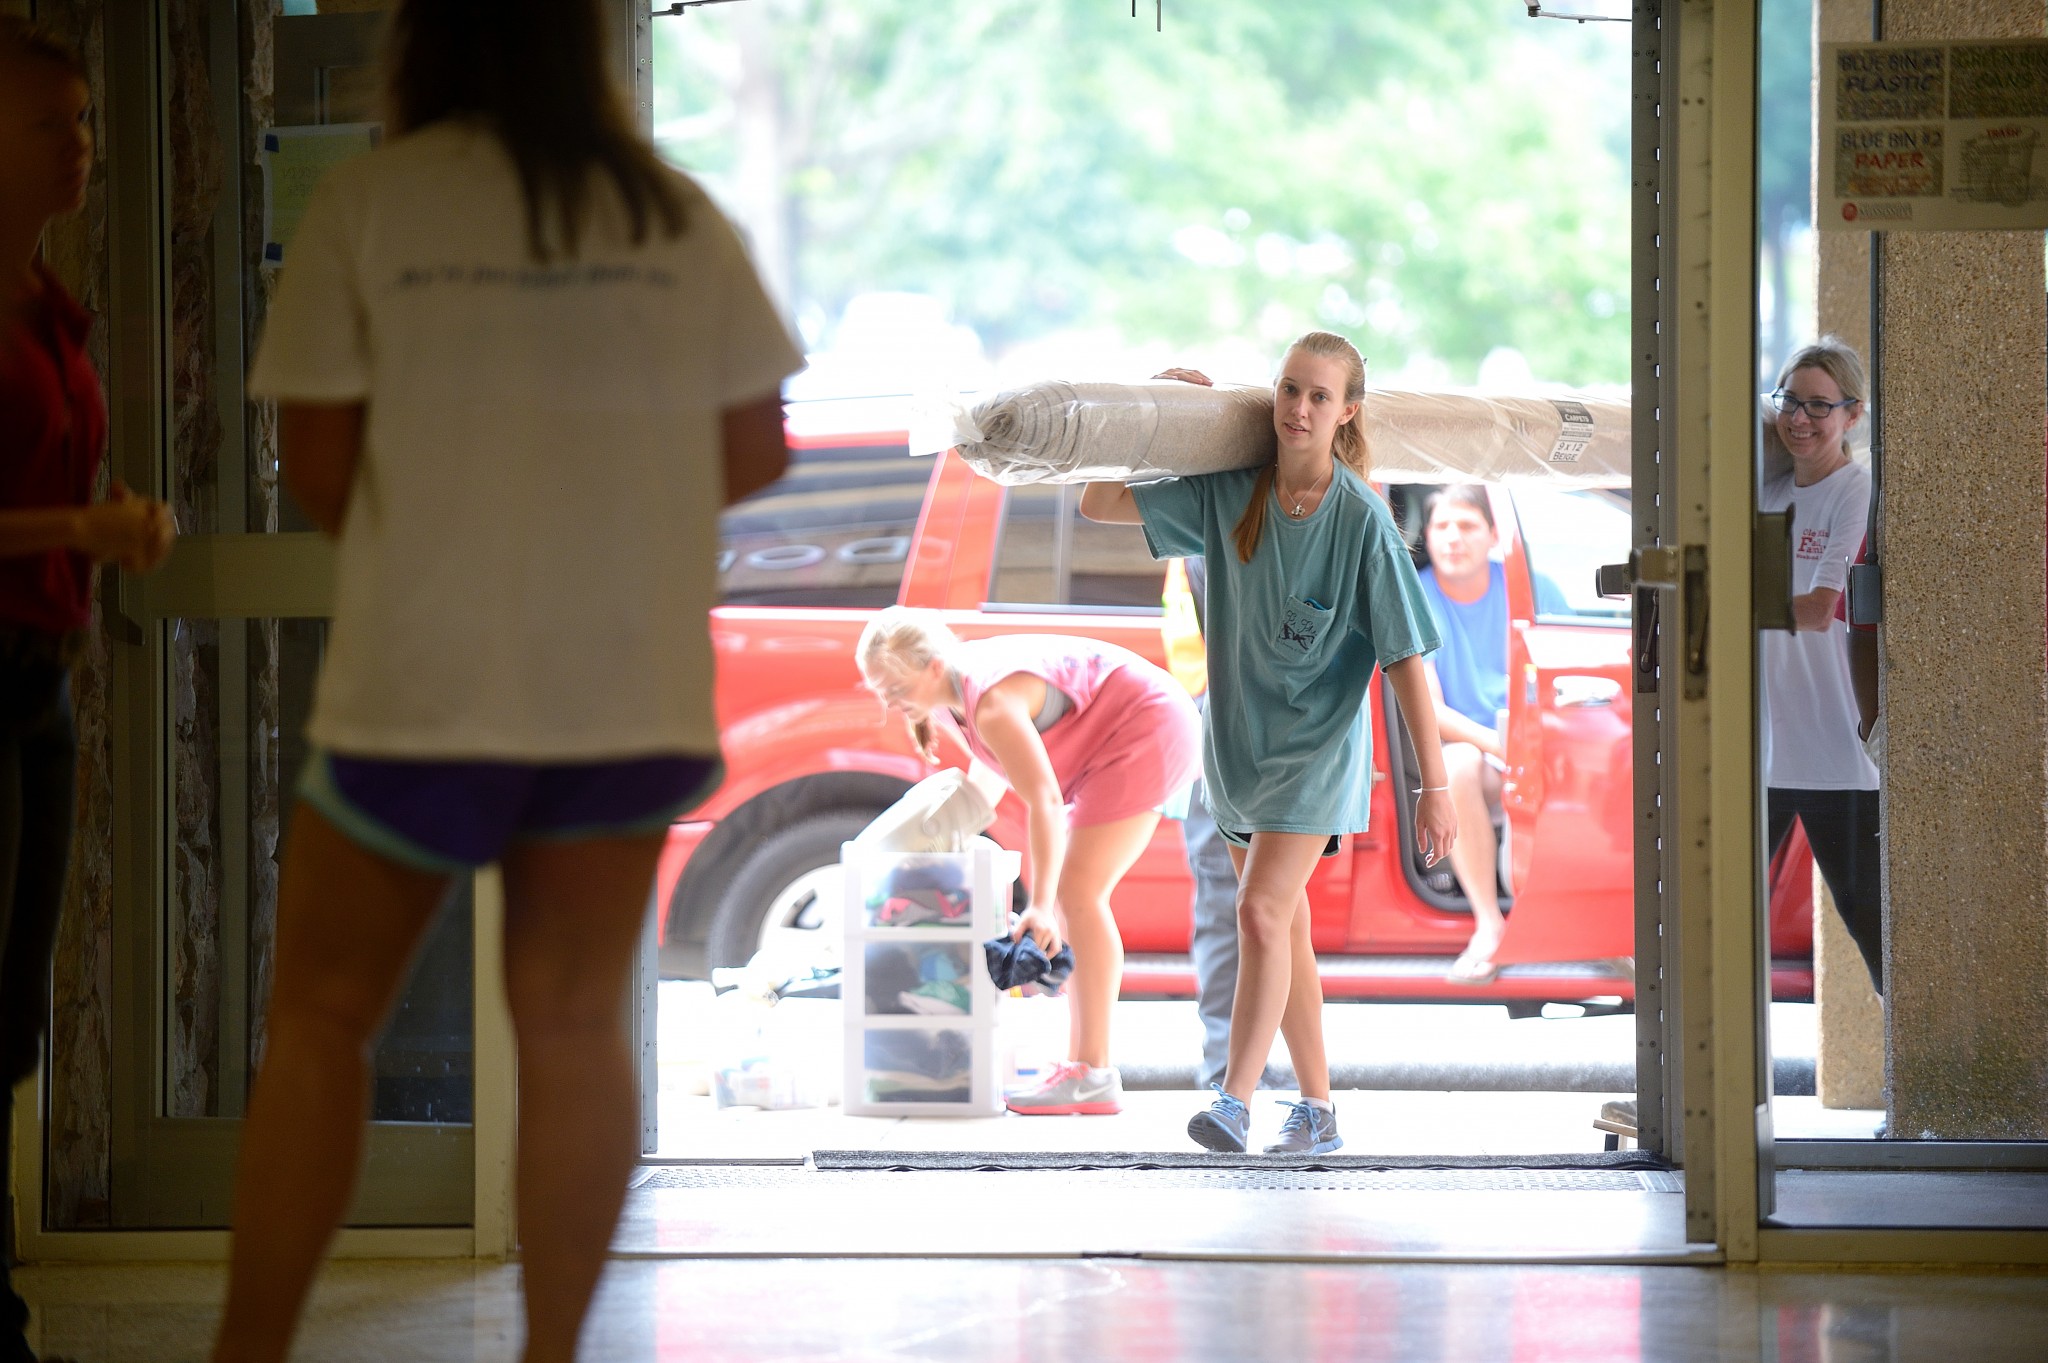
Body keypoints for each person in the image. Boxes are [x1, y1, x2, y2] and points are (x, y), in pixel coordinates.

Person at [209, 4, 800, 1361]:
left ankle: (245, 1350)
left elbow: (316, 465)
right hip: (621, 682)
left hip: (420, 681)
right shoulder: (672, 213)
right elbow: (759, 446)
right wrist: (612, 512)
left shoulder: (370, 202)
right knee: (577, 1018)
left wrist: (462, 531)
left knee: (319, 1018)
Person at [1081, 332, 1456, 1155]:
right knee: (1284, 931)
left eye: (1321, 396)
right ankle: (1318, 1110)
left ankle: (1235, 1099)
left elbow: (1404, 659)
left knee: (1257, 911)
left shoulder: (1361, 519)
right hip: (1239, 750)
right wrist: (1152, 410)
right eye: (1290, 389)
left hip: (1317, 752)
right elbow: (1098, 504)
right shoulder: (1230, 495)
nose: (1299, 408)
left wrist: (1436, 784)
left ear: (1346, 411)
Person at [1, 22, 177, 1363]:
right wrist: (81, 525)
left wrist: (102, 518)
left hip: (35, 678)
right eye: (51, 123)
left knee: (11, 1008)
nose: (82, 146)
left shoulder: (49, 301)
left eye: (85, 121)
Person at [856, 607, 1201, 1115]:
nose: (889, 701)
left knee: (1076, 896)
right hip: (1118, 734)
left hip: (1147, 726)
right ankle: (1083, 1067)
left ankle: (1094, 1073)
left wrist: (1038, 904)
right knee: (1072, 900)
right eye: (879, 691)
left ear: (931, 666)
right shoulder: (951, 698)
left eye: (896, 687)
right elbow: (987, 784)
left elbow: (1041, 799)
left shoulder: (988, 700)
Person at [1761, 337, 1882, 995]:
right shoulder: (1771, 493)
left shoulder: (1855, 489)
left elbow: (1816, 609)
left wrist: (1726, 600)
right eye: (1790, 402)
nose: (1800, 419)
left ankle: (1927, 1085)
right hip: (1766, 754)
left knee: (1872, 924)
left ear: (1852, 415)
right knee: (1721, 919)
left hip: (1840, 757)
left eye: (1819, 406)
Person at [1414, 486, 1511, 984]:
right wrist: (1495, 744)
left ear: (1494, 535)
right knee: (1455, 765)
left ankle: (1597, 933)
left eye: (1468, 526)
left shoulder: (1521, 587)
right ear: (1426, 536)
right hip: (1477, 749)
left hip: (1527, 742)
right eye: (1442, 527)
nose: (1453, 538)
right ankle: (1489, 926)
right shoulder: (1416, 598)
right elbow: (1427, 710)